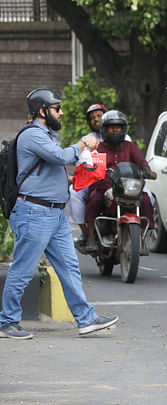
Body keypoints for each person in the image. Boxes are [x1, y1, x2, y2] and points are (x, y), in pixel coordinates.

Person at [0, 88, 119, 340]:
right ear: (42, 111)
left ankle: (86, 319)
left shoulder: (46, 134)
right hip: (34, 212)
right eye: (56, 108)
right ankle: (6, 322)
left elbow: (48, 170)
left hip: (54, 214)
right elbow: (59, 157)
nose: (61, 112)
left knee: (69, 266)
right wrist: (82, 144)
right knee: (22, 268)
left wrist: (76, 177)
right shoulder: (33, 134)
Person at [83, 110, 156, 254]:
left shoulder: (130, 147)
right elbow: (92, 167)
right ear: (104, 129)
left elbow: (141, 162)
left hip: (127, 187)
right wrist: (94, 172)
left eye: (119, 126)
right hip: (105, 187)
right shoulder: (98, 148)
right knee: (94, 199)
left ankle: (142, 236)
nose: (116, 129)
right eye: (112, 127)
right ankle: (91, 237)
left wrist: (148, 171)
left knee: (146, 201)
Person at [68, 103, 107, 249]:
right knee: (74, 191)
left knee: (147, 195)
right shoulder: (88, 139)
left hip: (117, 182)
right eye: (92, 118)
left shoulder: (123, 136)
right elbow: (81, 162)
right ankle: (86, 232)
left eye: (99, 115)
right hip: (94, 181)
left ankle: (141, 235)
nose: (96, 119)